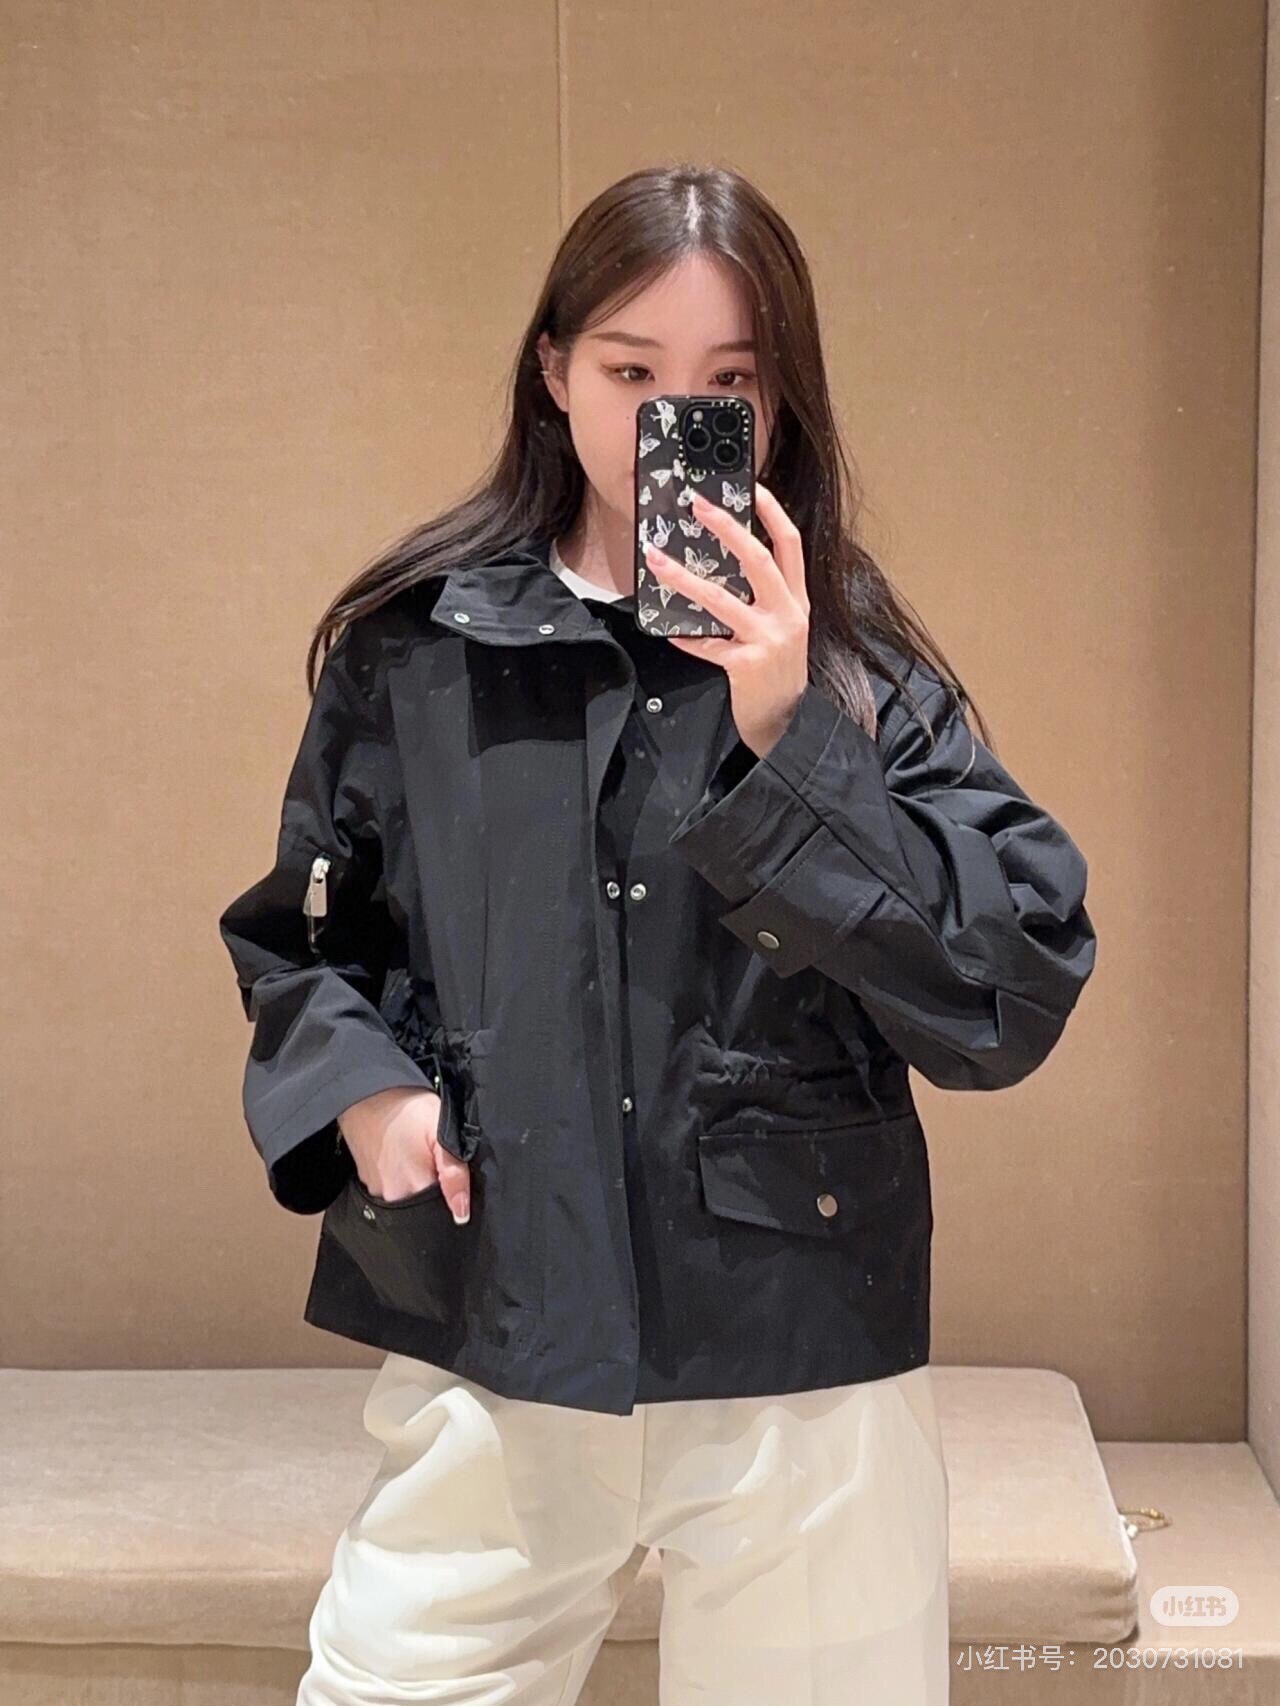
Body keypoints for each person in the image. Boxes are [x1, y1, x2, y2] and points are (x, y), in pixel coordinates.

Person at [218, 162, 1096, 1705]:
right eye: (630, 371)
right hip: (504, 1320)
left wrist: (789, 735)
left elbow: (1008, 987)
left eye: (725, 384)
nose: (667, 419)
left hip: (801, 1363)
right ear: (553, 372)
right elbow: (304, 940)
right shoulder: (418, 649)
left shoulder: (849, 665)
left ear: (778, 405)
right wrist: (367, 1092)